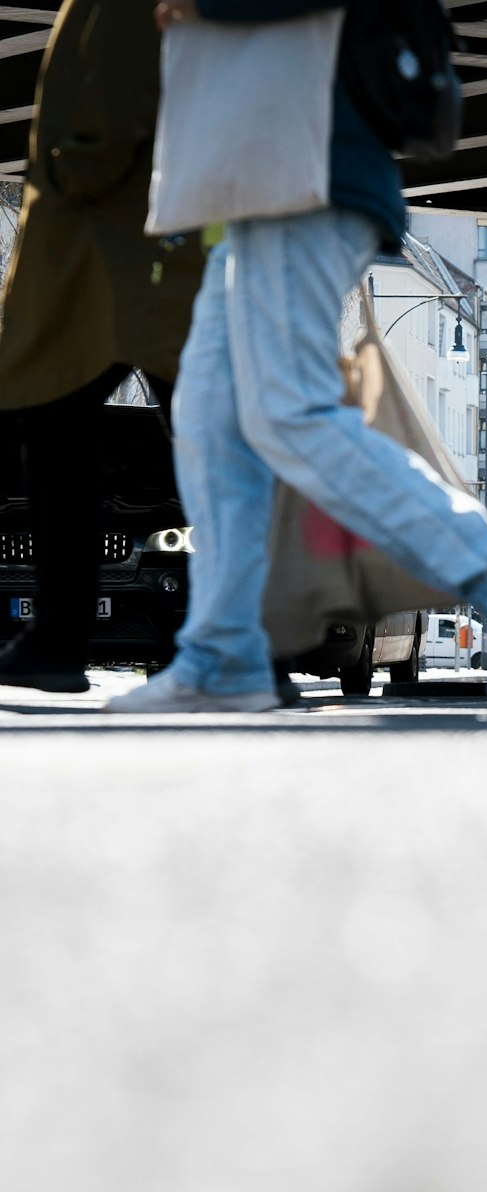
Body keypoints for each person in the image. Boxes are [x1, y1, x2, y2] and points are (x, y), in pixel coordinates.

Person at [106, 0, 487, 712]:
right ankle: (226, 652)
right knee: (210, 414)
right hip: (271, 178)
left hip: (307, 170)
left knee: (289, 409)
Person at [0, 0, 209, 693]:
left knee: (57, 420)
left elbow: (115, 91)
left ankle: (58, 639)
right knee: (208, 438)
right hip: (153, 249)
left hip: (108, 251)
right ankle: (239, 638)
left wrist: (72, 171)